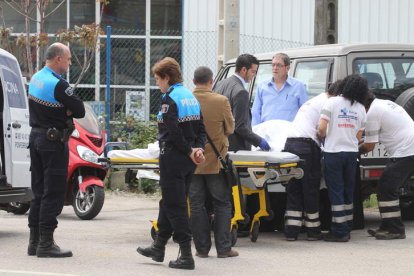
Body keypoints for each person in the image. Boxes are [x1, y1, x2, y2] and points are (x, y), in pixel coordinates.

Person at [137, 57, 206, 270]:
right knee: (168, 201)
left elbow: (172, 131)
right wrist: (198, 150)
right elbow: (202, 128)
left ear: (167, 77)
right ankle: (158, 247)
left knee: (175, 206)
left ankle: (186, 255)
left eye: (158, 79)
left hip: (174, 157)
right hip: (189, 160)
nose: (157, 83)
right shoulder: (190, 97)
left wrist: (187, 150)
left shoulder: (170, 99)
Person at [27, 42, 85, 257]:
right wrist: (66, 110)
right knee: (53, 192)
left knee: (39, 191)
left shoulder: (36, 78)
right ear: (58, 58)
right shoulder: (58, 84)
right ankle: (46, 244)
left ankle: (34, 242)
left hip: (36, 139)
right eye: (68, 59)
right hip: (53, 142)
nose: (70, 63)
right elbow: (79, 110)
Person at [284, 80, 342, 241]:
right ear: (339, 95)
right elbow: (322, 130)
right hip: (307, 146)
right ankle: (313, 230)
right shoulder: (329, 103)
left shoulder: (316, 100)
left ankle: (291, 231)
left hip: (290, 144)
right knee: (310, 188)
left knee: (294, 187)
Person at [189, 66, 238, 258]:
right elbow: (231, 128)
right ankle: (224, 248)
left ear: (194, 81)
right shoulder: (221, 101)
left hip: (192, 161)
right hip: (216, 161)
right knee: (222, 204)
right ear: (211, 82)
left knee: (196, 204)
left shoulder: (185, 100)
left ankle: (201, 249)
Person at [318, 75, 368, 242]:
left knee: (336, 191)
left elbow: (322, 128)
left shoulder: (332, 102)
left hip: (333, 152)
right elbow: (359, 136)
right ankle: (346, 227)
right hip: (351, 153)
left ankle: (339, 232)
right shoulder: (361, 108)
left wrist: (322, 136)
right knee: (348, 191)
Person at [359, 92, 414, 240]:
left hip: (406, 151)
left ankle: (395, 230)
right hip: (408, 149)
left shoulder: (372, 113)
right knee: (384, 186)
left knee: (387, 188)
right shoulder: (384, 104)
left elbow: (369, 146)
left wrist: (353, 150)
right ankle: (387, 225)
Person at [214, 53, 270, 151]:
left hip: (219, 146)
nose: (254, 75)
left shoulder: (220, 84)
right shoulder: (241, 92)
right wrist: (258, 141)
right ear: (244, 70)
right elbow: (239, 126)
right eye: (253, 71)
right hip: (237, 149)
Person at [251, 53, 308, 125]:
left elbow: (305, 112)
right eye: (273, 65)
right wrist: (256, 131)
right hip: (266, 132)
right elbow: (256, 112)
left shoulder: (299, 86)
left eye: (278, 65)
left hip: (289, 133)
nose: (275, 68)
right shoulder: (262, 86)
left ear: (287, 68)